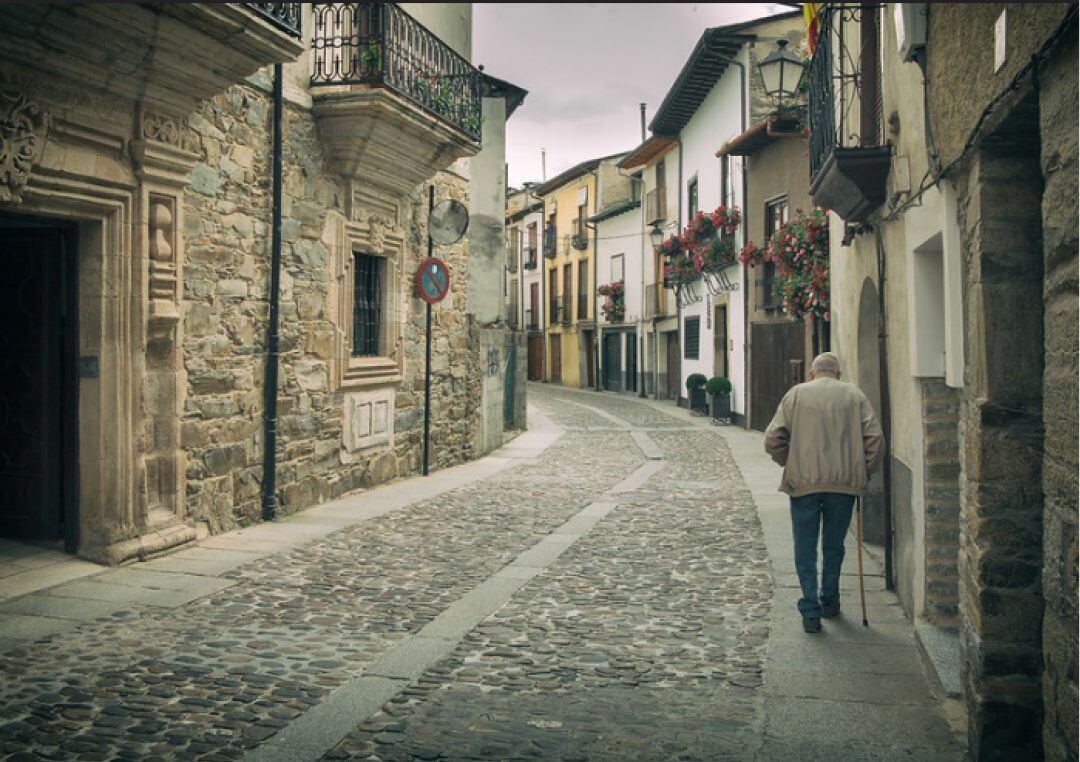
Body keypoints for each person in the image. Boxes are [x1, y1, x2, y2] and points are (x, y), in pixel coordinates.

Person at [764, 352, 884, 633]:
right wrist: (862, 471)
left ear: (811, 373)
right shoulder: (854, 396)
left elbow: (772, 439)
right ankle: (829, 600)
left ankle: (810, 611)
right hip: (842, 485)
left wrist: (789, 461)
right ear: (838, 374)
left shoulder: (795, 395)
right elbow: (875, 440)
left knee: (805, 548)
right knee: (834, 546)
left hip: (804, 483)